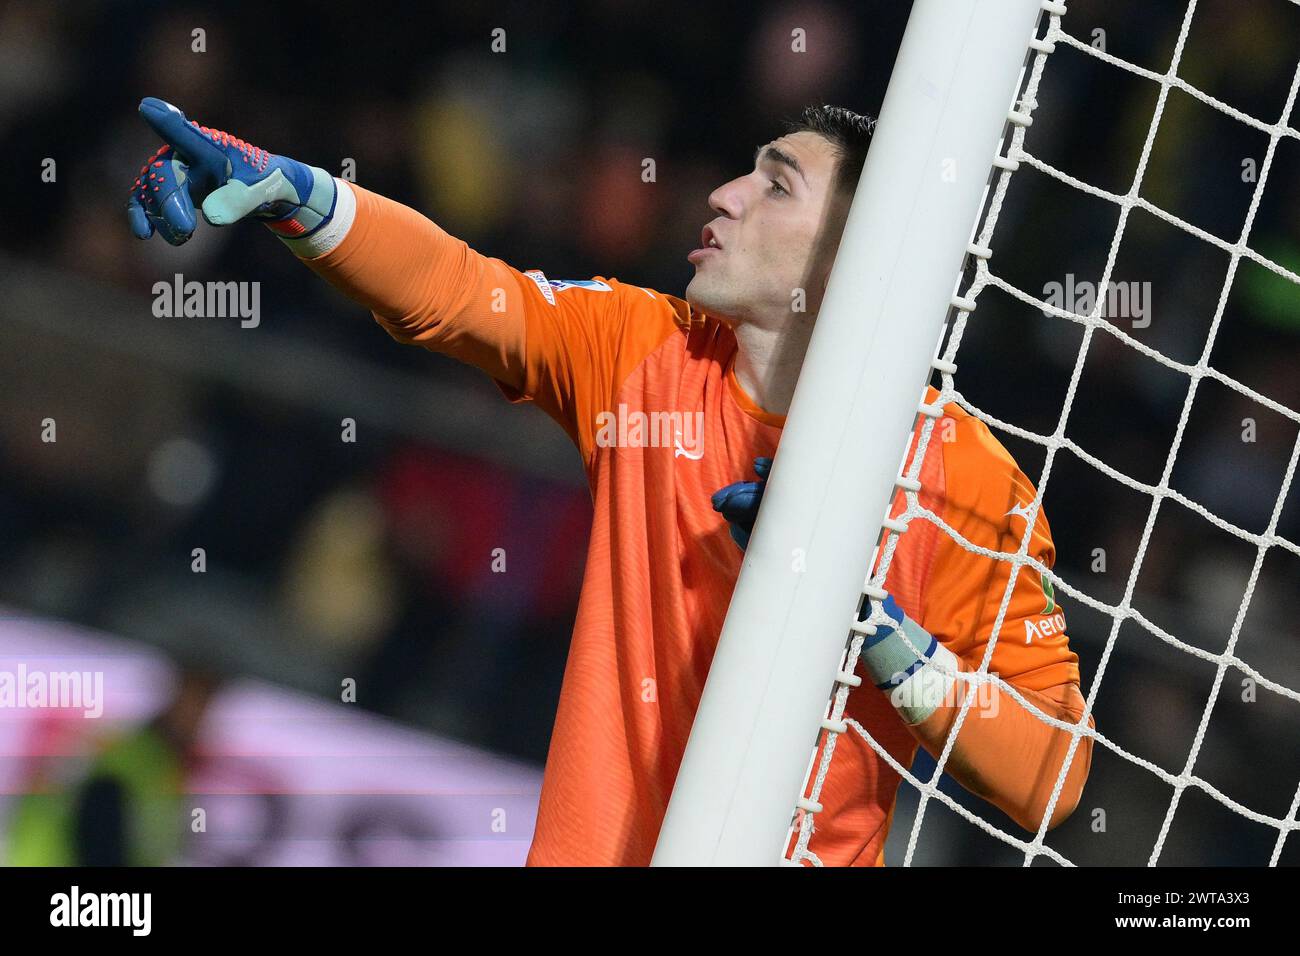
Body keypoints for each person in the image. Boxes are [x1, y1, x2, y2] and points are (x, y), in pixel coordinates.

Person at [125, 98, 1093, 866]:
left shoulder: (964, 477)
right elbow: (461, 291)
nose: (720, 195)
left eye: (775, 185)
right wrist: (296, 191)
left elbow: (1052, 775)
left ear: (854, 256)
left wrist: (869, 626)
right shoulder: (647, 351)